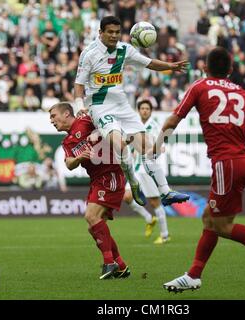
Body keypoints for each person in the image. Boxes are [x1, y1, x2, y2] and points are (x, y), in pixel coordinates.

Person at [156, 47, 245, 292]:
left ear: (205, 68)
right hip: (242, 161)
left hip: (225, 164)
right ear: (230, 70)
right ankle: (194, 275)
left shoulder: (200, 86)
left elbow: (172, 121)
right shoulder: (244, 93)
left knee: (220, 225)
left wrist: (157, 144)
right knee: (210, 219)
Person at [73, 16, 190, 208]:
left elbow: (149, 63)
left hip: (121, 105)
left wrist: (170, 66)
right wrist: (79, 107)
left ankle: (166, 192)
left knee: (147, 147)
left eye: (117, 32)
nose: (113, 35)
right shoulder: (89, 54)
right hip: (99, 106)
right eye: (109, 32)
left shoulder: (124, 49)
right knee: (119, 144)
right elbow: (78, 84)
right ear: (100, 33)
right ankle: (133, 182)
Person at [49, 102, 130, 280]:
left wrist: (92, 110)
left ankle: (109, 263)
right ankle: (121, 266)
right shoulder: (67, 141)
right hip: (96, 181)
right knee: (93, 227)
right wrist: (78, 158)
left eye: (54, 116)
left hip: (110, 174)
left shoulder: (86, 120)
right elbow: (69, 164)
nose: (51, 121)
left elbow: (107, 119)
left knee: (91, 217)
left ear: (66, 113)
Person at [122, 100, 171, 244]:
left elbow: (160, 147)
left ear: (151, 111)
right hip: (136, 169)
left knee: (154, 202)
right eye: (142, 108)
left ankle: (165, 234)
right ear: (139, 110)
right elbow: (127, 141)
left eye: (147, 108)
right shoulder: (134, 125)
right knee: (126, 196)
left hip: (148, 169)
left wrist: (152, 151)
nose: (144, 110)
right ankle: (149, 219)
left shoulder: (154, 127)